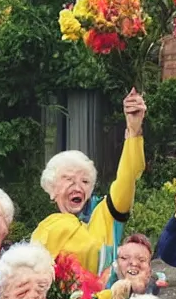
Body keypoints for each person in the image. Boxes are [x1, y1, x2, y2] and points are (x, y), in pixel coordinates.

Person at [31, 89, 147, 275]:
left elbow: (127, 178)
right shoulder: (46, 229)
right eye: (68, 179)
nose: (77, 186)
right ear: (52, 190)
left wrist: (134, 131)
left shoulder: (105, 213)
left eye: (85, 181)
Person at [96, 232, 165, 299]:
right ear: (116, 264)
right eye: (125, 258)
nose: (134, 263)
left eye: (141, 260)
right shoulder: (102, 288)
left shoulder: (159, 288)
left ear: (149, 269)